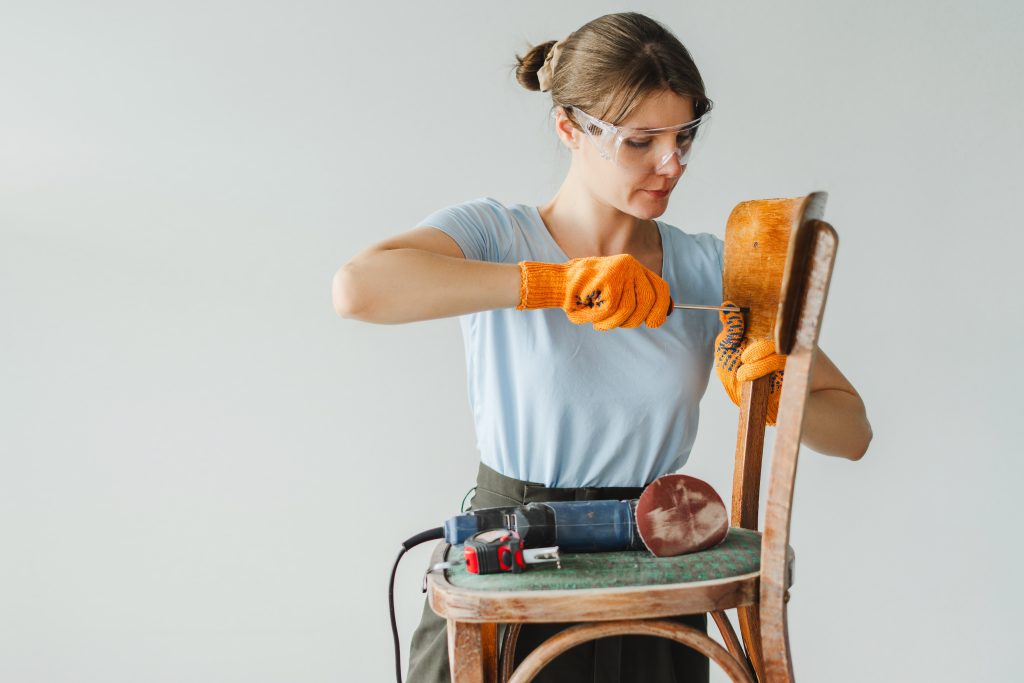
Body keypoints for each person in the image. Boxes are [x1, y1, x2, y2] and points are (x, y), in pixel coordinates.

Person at [333, 11, 872, 683]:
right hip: (511, 570)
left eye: (684, 136)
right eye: (641, 141)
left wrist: (774, 394)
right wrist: (554, 283)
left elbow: (852, 430)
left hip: (654, 585)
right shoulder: (495, 236)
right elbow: (357, 289)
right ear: (570, 129)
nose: (671, 163)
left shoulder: (712, 270)